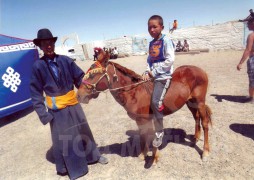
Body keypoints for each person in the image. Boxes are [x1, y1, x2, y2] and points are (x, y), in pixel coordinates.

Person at [30, 28, 108, 180]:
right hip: (57, 110)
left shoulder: (66, 60)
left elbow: (80, 78)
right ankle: (71, 167)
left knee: (83, 130)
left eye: (50, 42)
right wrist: (43, 114)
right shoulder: (37, 67)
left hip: (73, 103)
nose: (48, 46)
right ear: (40, 46)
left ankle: (93, 157)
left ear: (53, 43)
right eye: (44, 43)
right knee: (65, 139)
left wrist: (90, 91)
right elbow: (35, 93)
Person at [142, 15, 175, 147]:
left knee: (155, 101)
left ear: (162, 27)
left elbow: (170, 60)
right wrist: (146, 71)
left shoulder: (166, 40)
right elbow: (149, 60)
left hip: (163, 76)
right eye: (149, 27)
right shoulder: (151, 43)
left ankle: (159, 132)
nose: (152, 29)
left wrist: (154, 72)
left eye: (154, 26)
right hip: (152, 75)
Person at [237, 16, 254, 104]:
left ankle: (251, 98)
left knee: (252, 80)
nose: (247, 25)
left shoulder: (251, 36)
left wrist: (240, 63)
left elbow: (248, 50)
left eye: (249, 23)